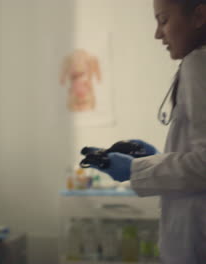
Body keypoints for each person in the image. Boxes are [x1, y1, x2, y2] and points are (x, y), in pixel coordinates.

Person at [88, 0, 206, 263]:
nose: (157, 33)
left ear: (199, 15)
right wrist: (153, 157)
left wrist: (135, 169)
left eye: (163, 20)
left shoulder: (198, 63)